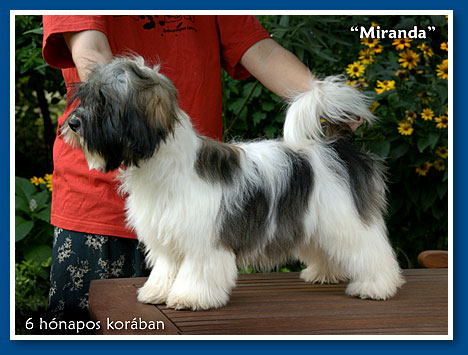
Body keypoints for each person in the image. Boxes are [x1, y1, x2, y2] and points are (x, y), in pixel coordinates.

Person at [42, 15, 355, 327]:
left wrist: (325, 103)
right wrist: (108, 115)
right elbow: (91, 52)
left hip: (197, 176)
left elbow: (261, 51)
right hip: (94, 209)